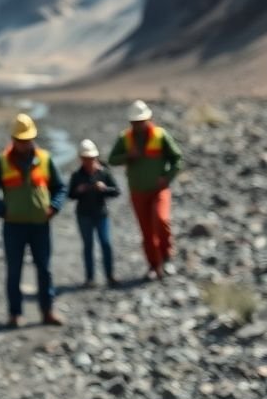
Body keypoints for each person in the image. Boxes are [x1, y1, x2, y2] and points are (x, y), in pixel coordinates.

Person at [0, 112, 67, 328]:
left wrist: (54, 207)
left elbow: (60, 187)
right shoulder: (2, 162)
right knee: (14, 270)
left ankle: (47, 311)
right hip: (13, 226)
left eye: (27, 140)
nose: (24, 144)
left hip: (40, 225)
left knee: (44, 269)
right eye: (20, 141)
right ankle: (15, 314)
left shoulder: (45, 159)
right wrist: (2, 210)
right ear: (13, 140)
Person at [107, 99, 185, 280]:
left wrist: (167, 177)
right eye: (135, 122)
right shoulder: (125, 138)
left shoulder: (160, 135)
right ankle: (153, 265)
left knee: (161, 219)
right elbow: (112, 160)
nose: (138, 125)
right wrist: (128, 156)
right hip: (138, 192)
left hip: (159, 190)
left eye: (141, 121)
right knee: (147, 231)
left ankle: (166, 256)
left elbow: (177, 159)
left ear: (148, 119)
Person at [67, 139, 121, 288]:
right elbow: (70, 195)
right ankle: (90, 278)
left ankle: (110, 276)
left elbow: (116, 191)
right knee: (88, 246)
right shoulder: (77, 175)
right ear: (81, 159)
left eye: (91, 158)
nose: (89, 161)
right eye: (86, 159)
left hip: (101, 214)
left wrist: (104, 189)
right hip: (84, 215)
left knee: (106, 244)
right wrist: (78, 191)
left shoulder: (103, 173)